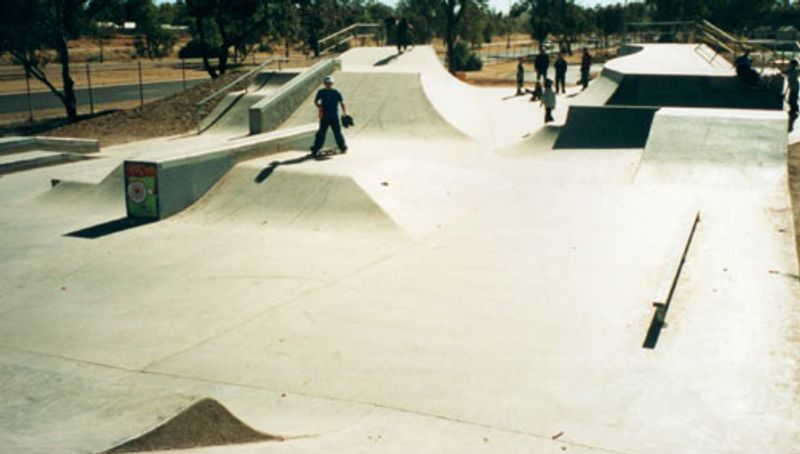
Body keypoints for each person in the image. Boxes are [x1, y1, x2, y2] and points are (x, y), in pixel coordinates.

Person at [310, 75, 347, 156]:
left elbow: (342, 103)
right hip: (324, 116)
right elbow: (316, 101)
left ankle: (343, 147)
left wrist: (345, 114)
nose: (328, 85)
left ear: (332, 83)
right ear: (324, 83)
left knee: (337, 132)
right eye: (327, 83)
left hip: (334, 117)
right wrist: (319, 107)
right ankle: (316, 148)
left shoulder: (336, 92)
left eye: (330, 83)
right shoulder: (321, 92)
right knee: (321, 133)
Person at [785, 59, 799, 131]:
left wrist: (776, 65)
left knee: (792, 98)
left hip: (794, 86)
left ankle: (794, 109)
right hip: (795, 86)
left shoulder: (791, 70)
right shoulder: (795, 70)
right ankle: (795, 109)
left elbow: (784, 72)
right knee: (793, 98)